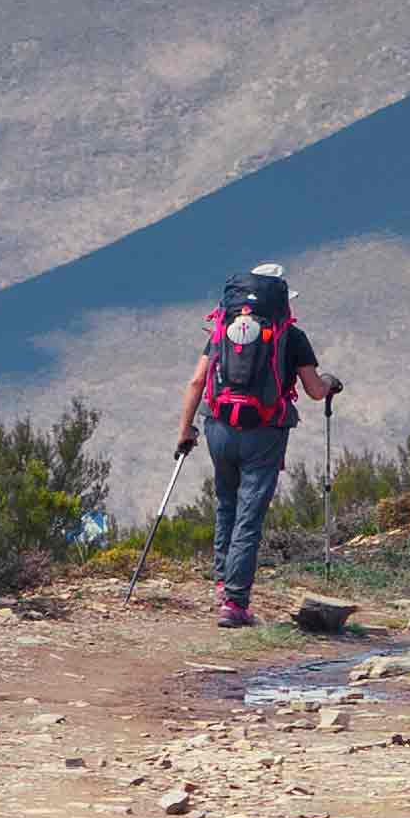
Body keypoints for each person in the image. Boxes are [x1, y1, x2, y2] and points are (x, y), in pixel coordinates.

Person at [171, 262, 336, 628]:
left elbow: (198, 381)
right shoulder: (291, 336)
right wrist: (329, 383)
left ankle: (221, 583)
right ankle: (235, 602)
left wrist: (185, 430)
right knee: (249, 515)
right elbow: (313, 390)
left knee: (226, 504)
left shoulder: (221, 330)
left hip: (219, 428)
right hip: (265, 432)